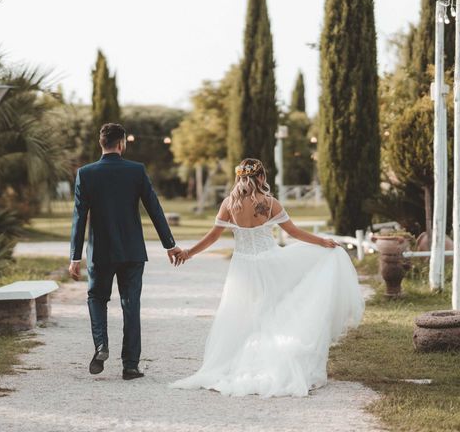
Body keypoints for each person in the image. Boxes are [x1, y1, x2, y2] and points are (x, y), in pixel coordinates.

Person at [169, 158, 365, 397]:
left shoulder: (229, 204)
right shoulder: (269, 203)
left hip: (242, 268)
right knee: (274, 313)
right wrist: (322, 242)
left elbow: (212, 237)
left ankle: (240, 363)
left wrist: (188, 253)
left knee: (241, 316)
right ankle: (271, 362)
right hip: (270, 265)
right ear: (260, 177)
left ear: (239, 178)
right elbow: (293, 232)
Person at [69, 123, 182, 380]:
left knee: (97, 298)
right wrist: (170, 244)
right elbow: (154, 209)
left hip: (100, 252)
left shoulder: (85, 174)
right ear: (122, 144)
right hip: (132, 252)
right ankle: (130, 366)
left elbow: (79, 217)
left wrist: (75, 256)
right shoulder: (136, 171)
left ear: (102, 144)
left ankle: (101, 345)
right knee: (131, 305)